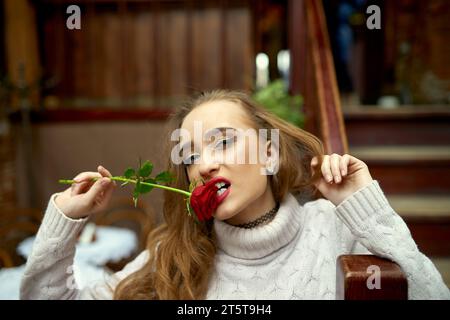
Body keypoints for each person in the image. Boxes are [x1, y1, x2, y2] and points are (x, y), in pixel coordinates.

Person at [20, 90, 449, 300]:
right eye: (190, 155)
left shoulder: (335, 228)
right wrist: (64, 221)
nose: (203, 164)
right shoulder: (172, 254)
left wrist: (365, 208)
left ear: (267, 153)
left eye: (223, 142)